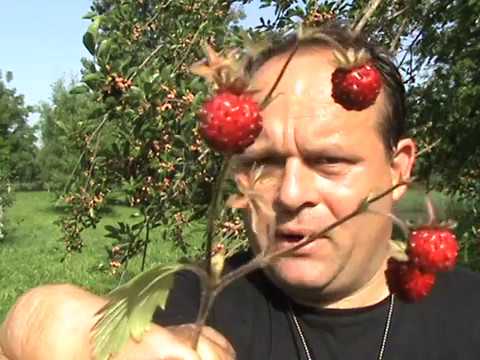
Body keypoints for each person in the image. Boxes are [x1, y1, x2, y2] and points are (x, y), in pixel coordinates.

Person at [2, 22, 480, 360]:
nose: (291, 194)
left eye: (328, 162)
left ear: (398, 171)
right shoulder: (197, 306)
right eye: (264, 163)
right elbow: (37, 326)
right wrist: (74, 331)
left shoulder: (469, 314)